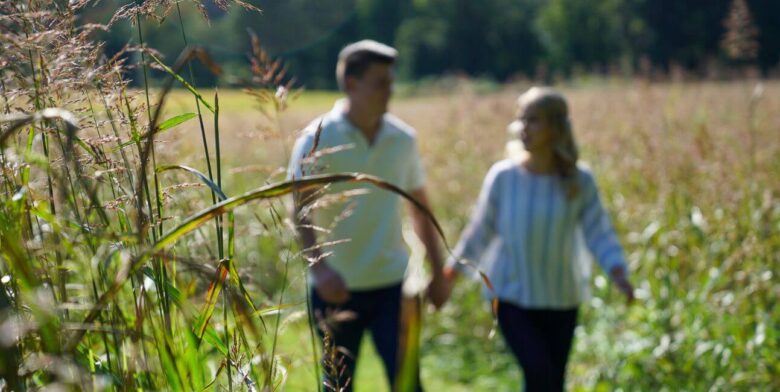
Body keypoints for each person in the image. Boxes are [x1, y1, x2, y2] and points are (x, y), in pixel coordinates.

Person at [443, 87, 635, 392]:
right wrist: (452, 272)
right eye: (521, 120)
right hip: (510, 296)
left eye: (533, 120)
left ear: (556, 127)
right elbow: (480, 230)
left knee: (552, 383)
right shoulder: (503, 177)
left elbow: (598, 231)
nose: (523, 128)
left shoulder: (578, 181)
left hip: (561, 298)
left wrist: (618, 271)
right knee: (539, 374)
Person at [287, 40, 447, 391]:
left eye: (391, 82)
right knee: (338, 388)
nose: (389, 91)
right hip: (334, 290)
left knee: (408, 385)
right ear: (350, 84)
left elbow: (420, 209)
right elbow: (299, 212)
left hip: (394, 286)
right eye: (380, 83)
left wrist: (437, 271)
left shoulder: (403, 139)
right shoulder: (317, 138)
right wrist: (321, 270)